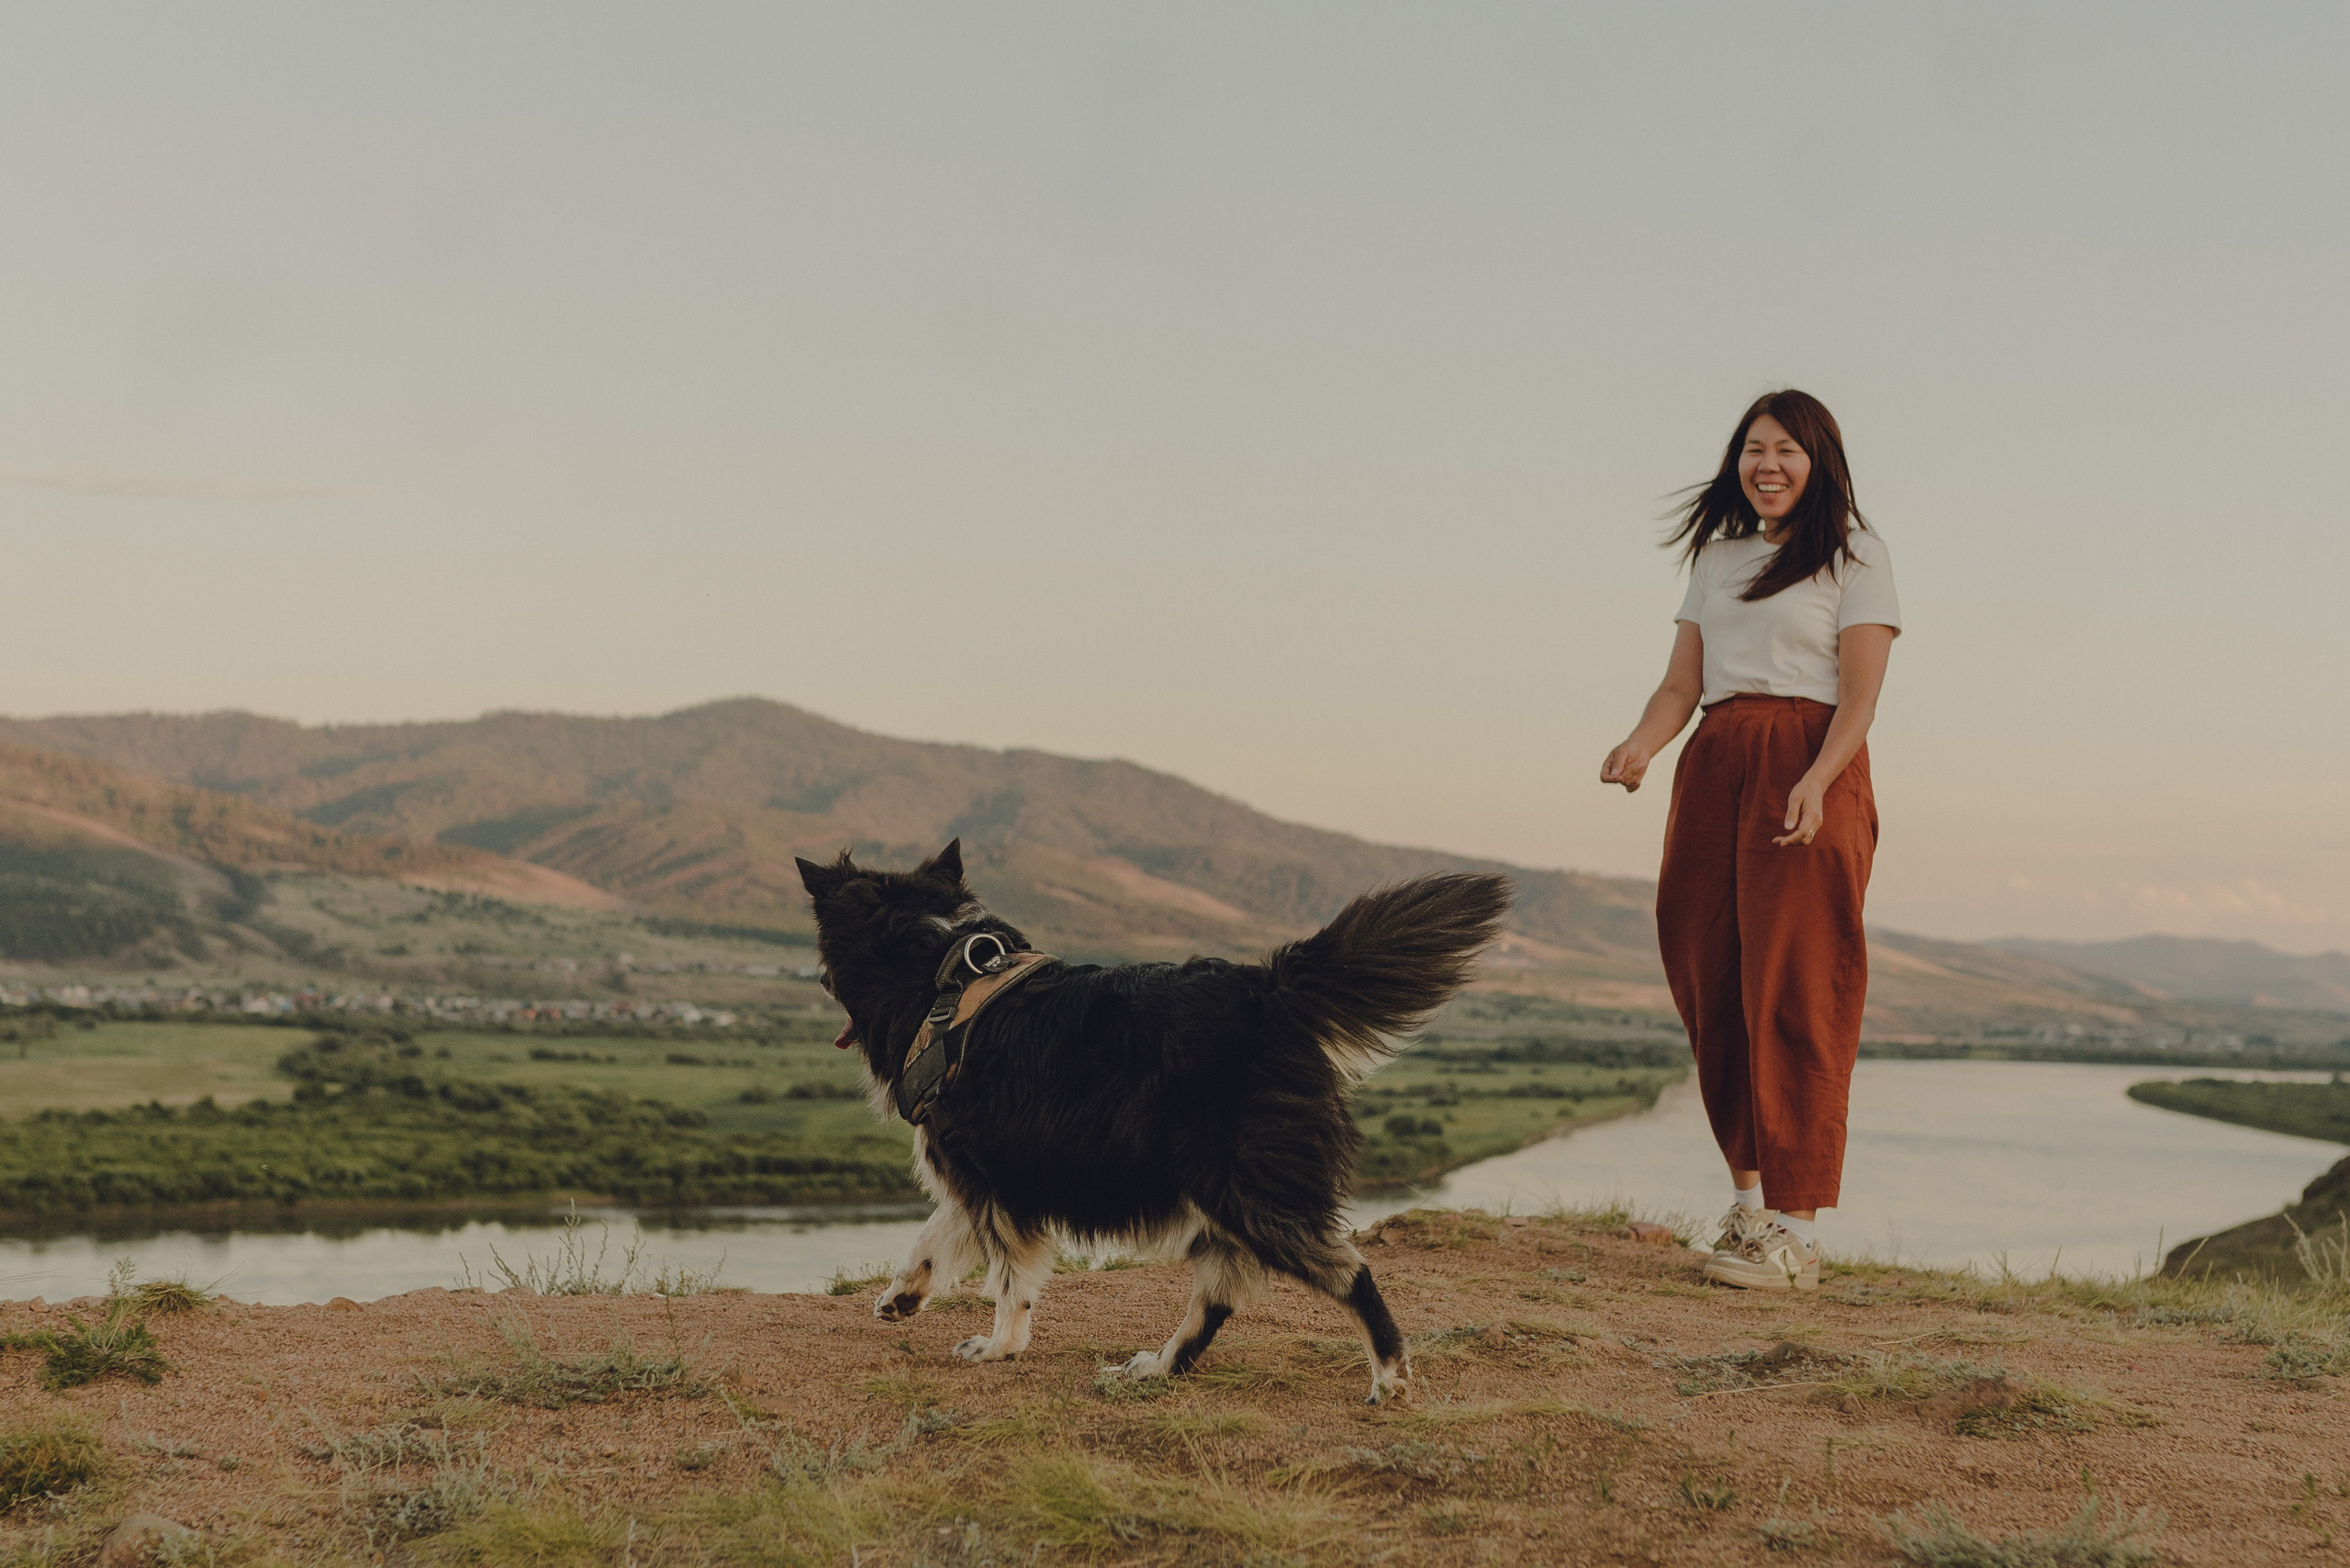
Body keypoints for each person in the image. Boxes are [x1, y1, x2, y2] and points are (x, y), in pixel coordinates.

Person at [1600, 389, 1900, 1291]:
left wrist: (1814, 778)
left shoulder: (1855, 556)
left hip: (1807, 764)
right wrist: (1641, 745)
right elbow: (1679, 683)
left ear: (1820, 460)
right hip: (1715, 764)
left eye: (1785, 449)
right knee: (1711, 981)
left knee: (1797, 986)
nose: (1765, 464)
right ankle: (1748, 1208)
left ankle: (1796, 1234)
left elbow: (1860, 697)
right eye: (1751, 449)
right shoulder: (1719, 557)